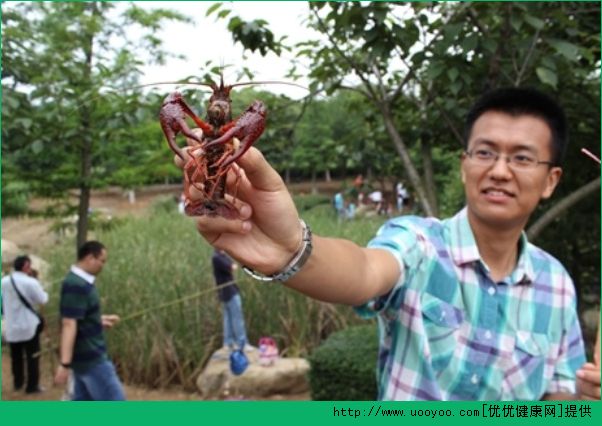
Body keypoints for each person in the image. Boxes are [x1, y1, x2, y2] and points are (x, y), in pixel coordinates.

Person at [176, 87, 599, 401]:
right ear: (464, 164)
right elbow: (363, 270)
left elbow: (557, 399)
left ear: (551, 181)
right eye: (485, 152)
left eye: (523, 158)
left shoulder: (557, 284)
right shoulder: (418, 241)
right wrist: (292, 251)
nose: (501, 171)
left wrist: (585, 400)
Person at [53, 241, 125, 401]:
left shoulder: (80, 282)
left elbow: (78, 317)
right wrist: (64, 364)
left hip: (83, 361)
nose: (103, 266)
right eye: (102, 261)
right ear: (90, 258)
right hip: (92, 360)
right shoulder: (76, 284)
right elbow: (69, 323)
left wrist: (97, 321)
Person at [1, 255, 48, 394]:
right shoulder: (30, 282)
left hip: (11, 326)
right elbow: (43, 299)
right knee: (32, 356)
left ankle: (18, 383)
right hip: (29, 326)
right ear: (26, 266)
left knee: (16, 357)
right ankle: (32, 386)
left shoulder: (4, 281)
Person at [212, 249, 250, 351]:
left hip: (226, 292)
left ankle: (228, 342)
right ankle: (242, 343)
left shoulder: (222, 255)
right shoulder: (217, 258)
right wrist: (233, 265)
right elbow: (232, 267)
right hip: (229, 292)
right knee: (237, 318)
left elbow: (232, 264)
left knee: (228, 317)